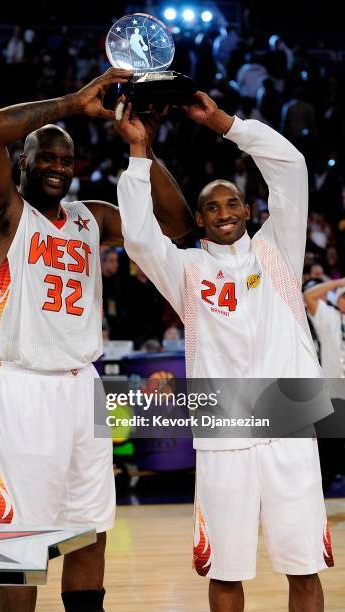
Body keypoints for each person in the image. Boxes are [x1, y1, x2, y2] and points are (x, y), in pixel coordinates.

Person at [0, 67, 192, 612]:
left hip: (81, 385)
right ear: (21, 162)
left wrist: (142, 149)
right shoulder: (2, 215)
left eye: (66, 160)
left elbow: (178, 224)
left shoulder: (91, 218)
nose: (57, 167)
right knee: (15, 542)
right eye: (46, 156)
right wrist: (73, 104)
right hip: (18, 386)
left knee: (89, 527)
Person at [115, 93, 332, 611]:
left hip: (288, 415)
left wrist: (225, 124)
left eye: (232, 203)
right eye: (211, 207)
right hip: (223, 423)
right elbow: (141, 239)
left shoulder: (277, 248)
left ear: (249, 210)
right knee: (226, 569)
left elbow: (291, 166)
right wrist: (139, 154)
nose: (224, 213)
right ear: (201, 217)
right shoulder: (186, 269)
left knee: (303, 565)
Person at [304, 279, 345, 492]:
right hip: (334, 397)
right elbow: (309, 296)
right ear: (337, 299)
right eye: (344, 296)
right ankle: (316, 503)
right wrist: (339, 282)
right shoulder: (329, 317)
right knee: (329, 455)